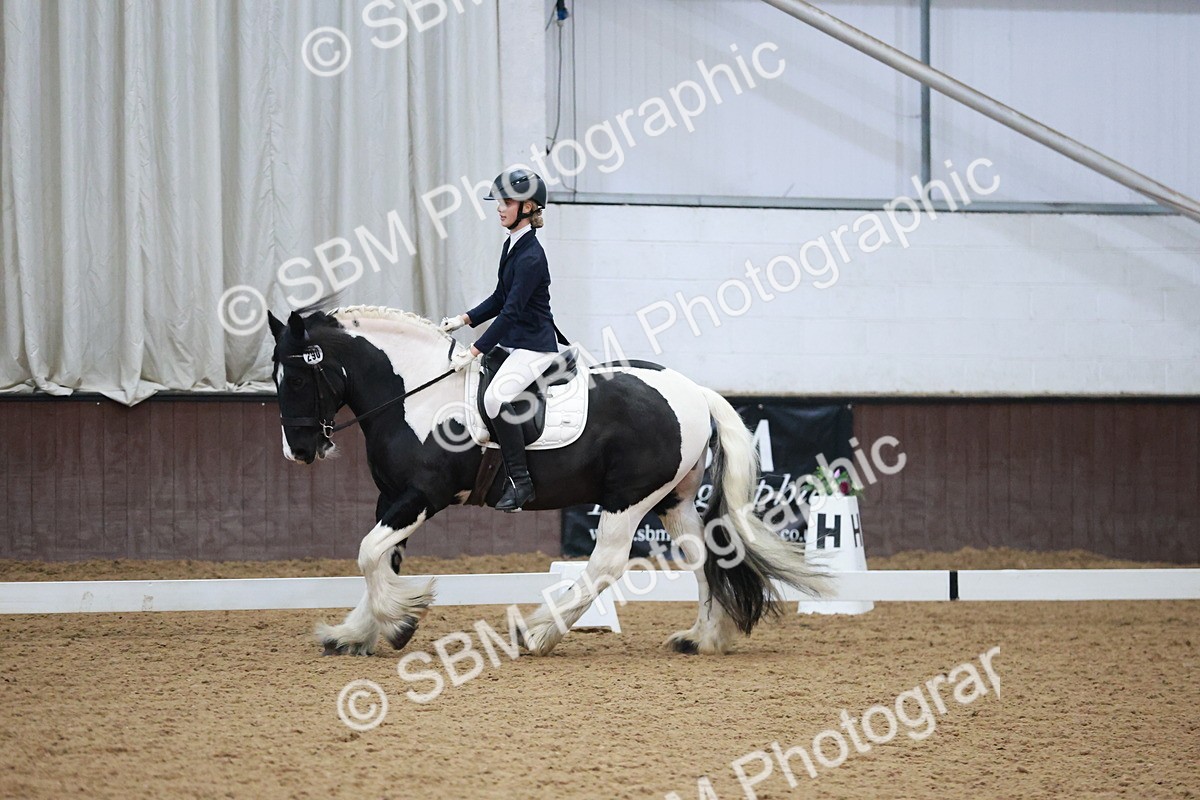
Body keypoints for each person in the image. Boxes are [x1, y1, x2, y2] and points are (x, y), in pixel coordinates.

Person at [440, 168, 560, 512]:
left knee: (494, 399)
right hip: (516, 343)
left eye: (506, 202)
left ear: (527, 207)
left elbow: (509, 312)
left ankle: (521, 483)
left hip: (535, 346)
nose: (499, 208)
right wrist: (462, 320)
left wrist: (475, 349)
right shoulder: (513, 245)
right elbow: (498, 298)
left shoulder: (532, 256)